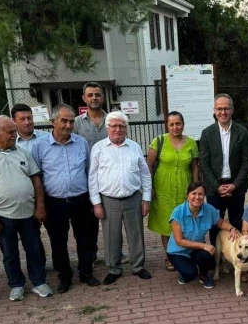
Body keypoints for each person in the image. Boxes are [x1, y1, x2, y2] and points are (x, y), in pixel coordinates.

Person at [0, 115, 51, 301]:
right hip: (2, 215)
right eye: (10, 132)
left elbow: (36, 181)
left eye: (15, 131)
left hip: (28, 213)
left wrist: (40, 206)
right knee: (9, 253)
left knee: (34, 249)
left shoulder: (23, 152)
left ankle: (39, 282)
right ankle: (16, 285)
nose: (15, 135)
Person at [31, 104, 100, 293]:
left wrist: (92, 199)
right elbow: (36, 177)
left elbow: (89, 171)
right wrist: (40, 205)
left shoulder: (81, 143)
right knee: (58, 242)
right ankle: (64, 276)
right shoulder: (39, 146)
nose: (68, 125)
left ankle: (86, 273)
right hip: (54, 203)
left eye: (71, 121)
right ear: (53, 122)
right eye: (64, 121)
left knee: (85, 240)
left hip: (81, 200)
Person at [89, 111, 152, 285]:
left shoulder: (134, 147)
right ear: (107, 128)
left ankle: (138, 266)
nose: (118, 129)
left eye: (121, 126)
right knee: (111, 236)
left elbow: (145, 175)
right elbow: (92, 178)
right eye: (114, 126)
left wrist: (146, 199)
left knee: (136, 234)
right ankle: (114, 268)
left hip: (133, 198)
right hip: (108, 200)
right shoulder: (98, 148)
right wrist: (96, 203)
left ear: (126, 128)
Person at [73, 82, 129, 265]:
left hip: (110, 179)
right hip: (86, 179)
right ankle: (91, 254)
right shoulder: (76, 123)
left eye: (97, 94)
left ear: (103, 97)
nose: (94, 98)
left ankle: (117, 253)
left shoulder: (113, 120)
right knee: (89, 223)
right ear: (84, 98)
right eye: (90, 95)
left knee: (114, 221)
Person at [146, 111, 199, 272]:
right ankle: (170, 256)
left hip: (184, 188)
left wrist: (195, 188)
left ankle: (184, 253)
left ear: (183, 124)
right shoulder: (158, 141)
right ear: (167, 126)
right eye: (172, 124)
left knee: (185, 221)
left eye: (178, 124)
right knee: (166, 223)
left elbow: (195, 167)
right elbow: (148, 165)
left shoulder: (191, 143)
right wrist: (150, 188)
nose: (175, 127)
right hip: (163, 189)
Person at [199, 94, 248, 244]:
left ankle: (235, 254)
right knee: (215, 224)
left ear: (232, 110)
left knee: (237, 222)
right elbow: (204, 163)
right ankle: (216, 255)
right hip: (214, 188)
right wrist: (216, 186)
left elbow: (246, 161)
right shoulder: (207, 133)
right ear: (214, 110)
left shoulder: (242, 132)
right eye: (219, 109)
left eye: (226, 108)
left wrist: (235, 185)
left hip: (236, 186)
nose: (223, 112)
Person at [167, 182, 241, 288]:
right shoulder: (177, 212)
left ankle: (204, 275)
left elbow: (220, 222)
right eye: (194, 193)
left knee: (210, 260)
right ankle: (184, 273)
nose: (197, 197)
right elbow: (179, 241)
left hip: (196, 249)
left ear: (204, 196)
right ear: (188, 195)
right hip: (178, 251)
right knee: (190, 274)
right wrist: (204, 245)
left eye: (200, 194)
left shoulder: (208, 209)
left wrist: (232, 228)